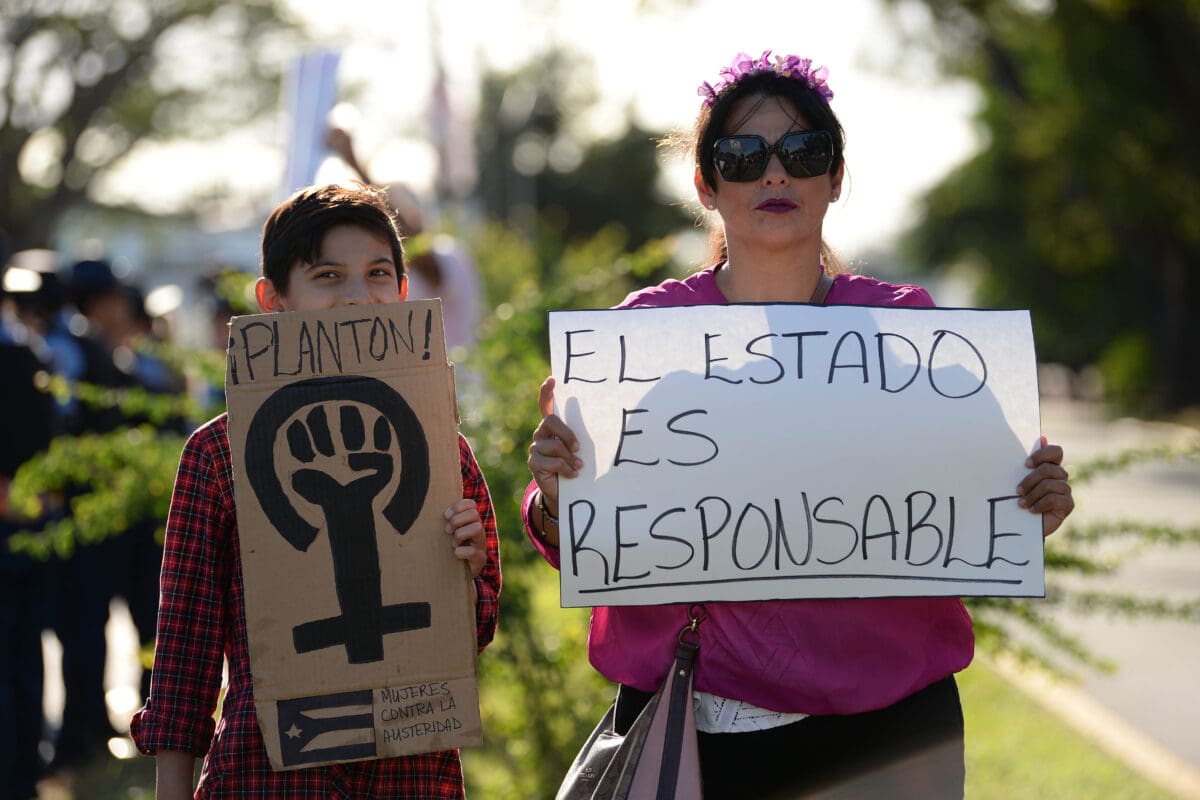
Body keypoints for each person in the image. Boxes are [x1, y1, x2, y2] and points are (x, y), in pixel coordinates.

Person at [523, 52, 1075, 799]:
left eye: (803, 153)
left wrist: (1030, 506)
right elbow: (582, 535)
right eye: (743, 157)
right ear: (706, 185)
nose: (774, 174)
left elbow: (972, 516)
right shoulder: (640, 340)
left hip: (890, 738)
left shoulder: (905, 330)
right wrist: (557, 493)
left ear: (835, 177)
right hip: (701, 737)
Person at [128, 183, 502, 799]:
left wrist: (468, 568)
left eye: (378, 273)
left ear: (404, 292)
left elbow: (472, 634)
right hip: (264, 775)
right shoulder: (218, 454)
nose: (358, 296)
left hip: (410, 776)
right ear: (273, 300)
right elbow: (185, 647)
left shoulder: (438, 445)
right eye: (328, 276)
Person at [325, 127, 482, 356]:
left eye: (393, 213)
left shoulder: (448, 254)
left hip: (459, 386)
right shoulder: (394, 266)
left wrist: (354, 162)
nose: (389, 224)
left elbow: (413, 245)